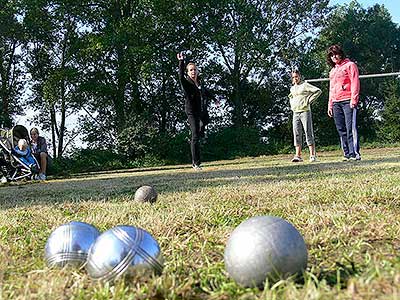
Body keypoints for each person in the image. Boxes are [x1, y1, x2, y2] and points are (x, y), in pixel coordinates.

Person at [177, 52, 213, 170]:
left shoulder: (199, 84)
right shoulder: (187, 83)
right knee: (195, 136)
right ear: (188, 72)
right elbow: (180, 77)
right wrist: (181, 62)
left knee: (204, 123)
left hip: (200, 112)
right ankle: (195, 163)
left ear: (197, 71)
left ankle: (201, 127)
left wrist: (215, 99)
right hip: (191, 112)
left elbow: (205, 91)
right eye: (191, 70)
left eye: (195, 70)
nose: (193, 71)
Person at [327, 44, 361, 161]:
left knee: (350, 127)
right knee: (341, 129)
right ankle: (346, 153)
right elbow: (331, 88)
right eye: (331, 55)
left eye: (335, 54)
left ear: (340, 53)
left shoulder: (350, 65)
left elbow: (355, 82)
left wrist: (354, 99)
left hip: (347, 101)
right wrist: (330, 105)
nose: (334, 57)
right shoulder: (332, 71)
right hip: (336, 102)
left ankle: (354, 153)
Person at [288, 70, 322, 162]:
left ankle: (312, 155)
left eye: (296, 76)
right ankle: (298, 155)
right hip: (295, 112)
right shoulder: (292, 88)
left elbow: (318, 91)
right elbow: (290, 96)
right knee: (297, 133)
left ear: (300, 76)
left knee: (308, 132)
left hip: (305, 111)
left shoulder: (305, 85)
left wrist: (308, 101)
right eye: (293, 77)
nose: (295, 79)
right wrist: (292, 105)